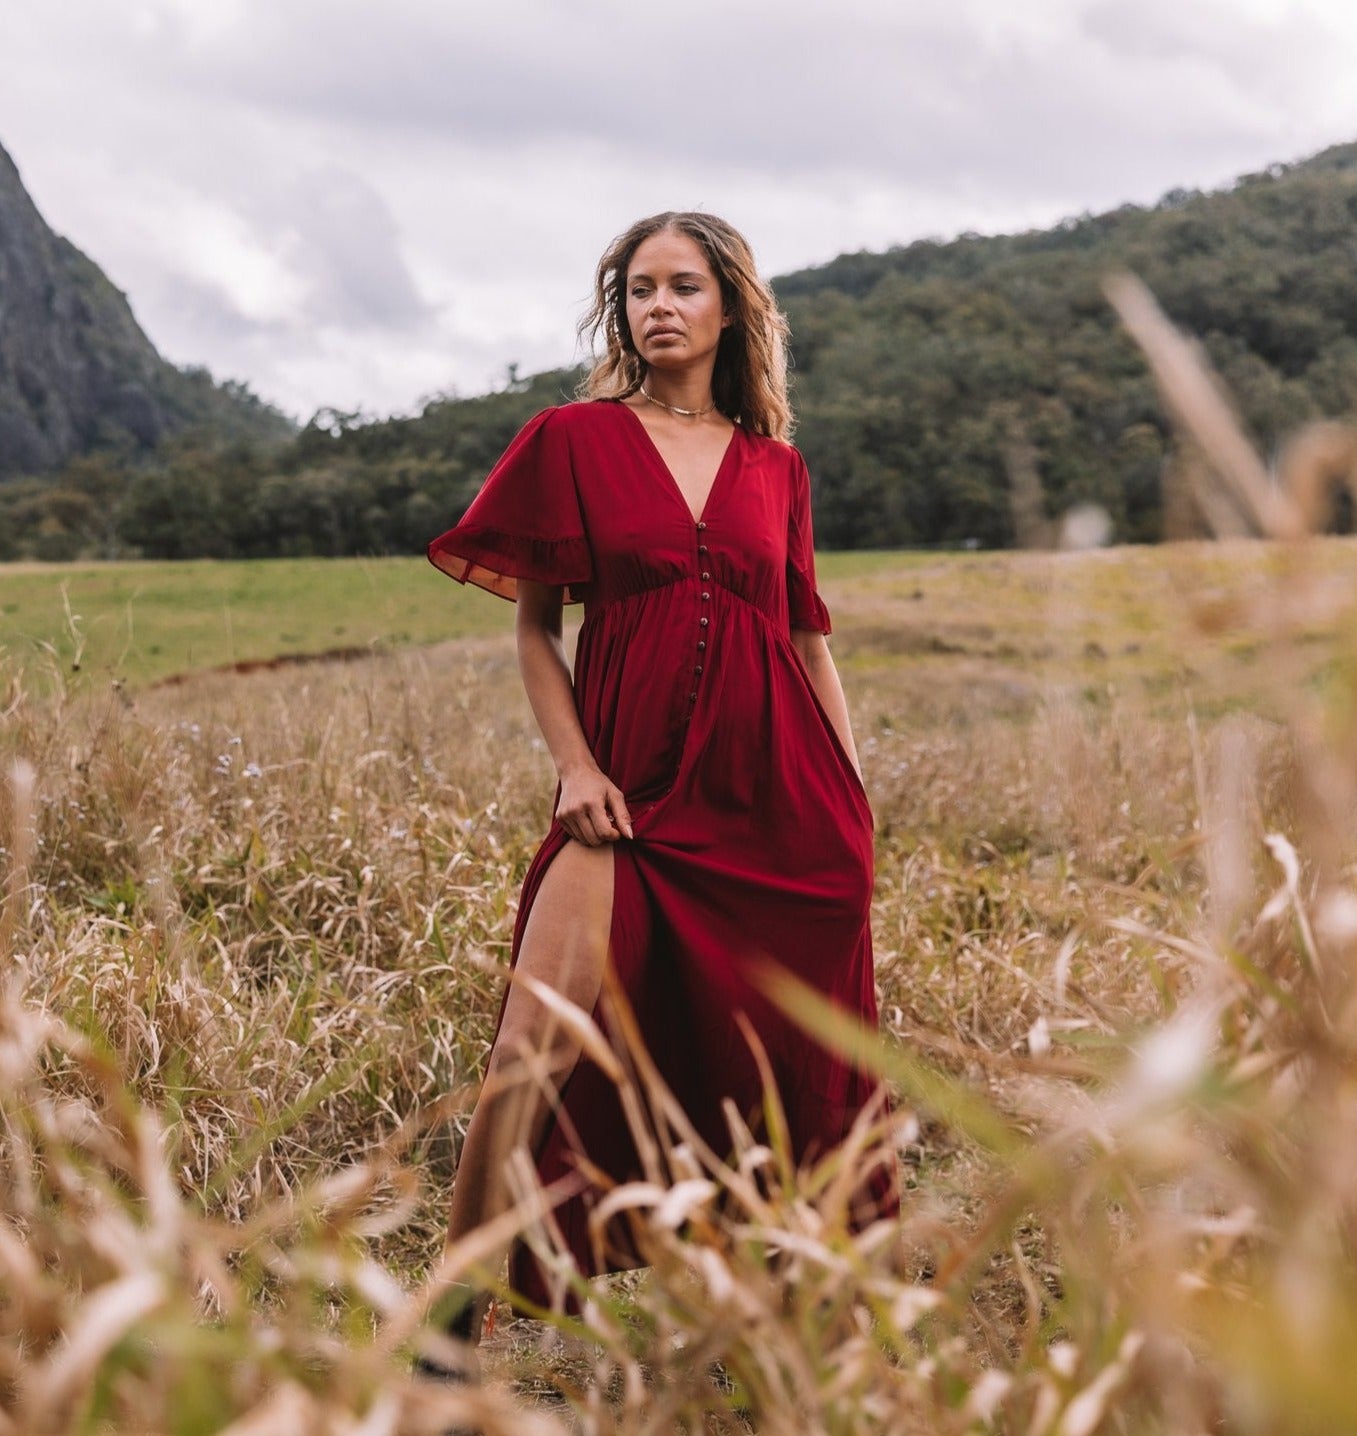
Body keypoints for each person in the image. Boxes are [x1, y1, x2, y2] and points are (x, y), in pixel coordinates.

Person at [422, 210, 899, 1361]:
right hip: (624, 798)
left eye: (683, 286)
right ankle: (444, 1328)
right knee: (530, 1048)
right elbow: (536, 628)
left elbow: (805, 639)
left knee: (782, 1060)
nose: (658, 307)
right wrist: (574, 768)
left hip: (782, 806)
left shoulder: (776, 467)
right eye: (639, 289)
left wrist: (850, 799)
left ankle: (792, 1314)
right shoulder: (573, 439)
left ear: (729, 307)